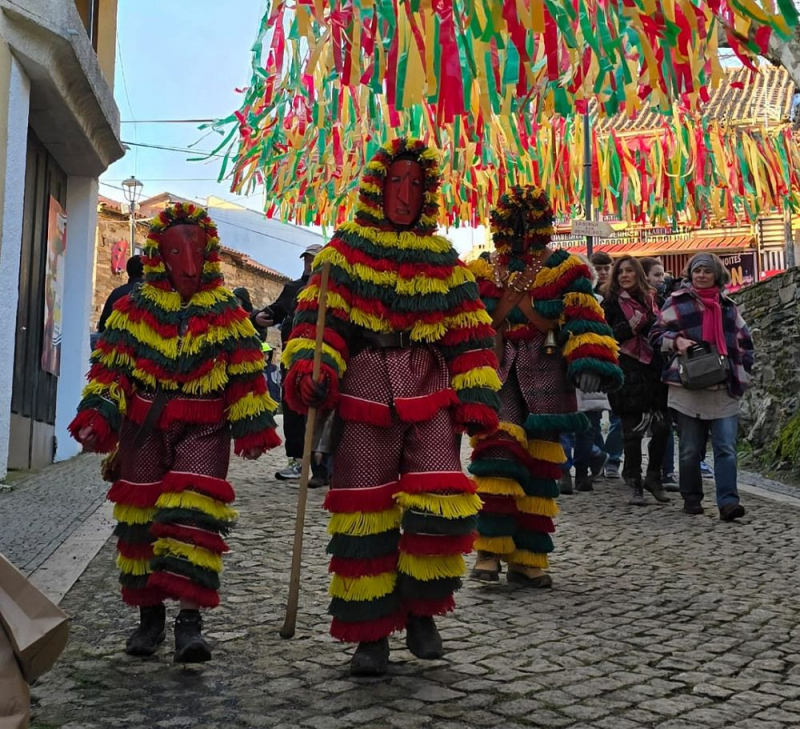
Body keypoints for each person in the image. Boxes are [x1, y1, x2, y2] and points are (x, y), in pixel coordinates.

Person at [282, 137, 501, 676]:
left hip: (430, 390)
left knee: (438, 506)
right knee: (364, 513)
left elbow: (469, 332)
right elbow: (318, 325)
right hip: (363, 391)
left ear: (427, 193)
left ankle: (423, 610)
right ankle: (371, 634)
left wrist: (476, 396)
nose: (405, 194)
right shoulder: (342, 255)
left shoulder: (445, 260)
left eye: (415, 185)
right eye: (396, 183)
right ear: (378, 188)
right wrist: (316, 370)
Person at [69, 203, 281, 662]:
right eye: (175, 251)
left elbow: (246, 372)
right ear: (159, 256)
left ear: (208, 254)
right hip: (144, 426)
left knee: (193, 518)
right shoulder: (131, 310)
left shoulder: (227, 313)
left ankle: (190, 622)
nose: (187, 263)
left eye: (195, 251)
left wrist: (253, 425)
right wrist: (97, 418)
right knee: (140, 520)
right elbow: (110, 370)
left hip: (205, 428)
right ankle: (149, 618)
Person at [467, 186, 622, 587]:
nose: (518, 231)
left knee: (540, 466)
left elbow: (584, 318)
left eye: (526, 222)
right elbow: (465, 324)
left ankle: (528, 557)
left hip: (548, 368)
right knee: (496, 456)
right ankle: (489, 549)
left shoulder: (565, 269)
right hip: (497, 369)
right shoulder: (482, 271)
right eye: (512, 223)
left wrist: (589, 361)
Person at [650, 252, 754, 521]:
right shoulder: (676, 303)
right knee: (689, 449)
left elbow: (745, 342)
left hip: (722, 388)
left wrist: (742, 367)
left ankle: (728, 502)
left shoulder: (729, 307)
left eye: (707, 271)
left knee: (726, 449)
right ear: (690, 274)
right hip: (688, 387)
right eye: (697, 271)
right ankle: (692, 497)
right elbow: (656, 334)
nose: (701, 275)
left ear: (716, 275)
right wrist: (676, 342)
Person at [602, 256, 671, 506]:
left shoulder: (654, 300)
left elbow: (665, 326)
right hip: (626, 370)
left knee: (662, 426)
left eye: (629, 271)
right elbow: (609, 335)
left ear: (638, 273)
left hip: (653, 369)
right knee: (632, 430)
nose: (624, 276)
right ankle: (634, 482)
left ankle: (654, 476)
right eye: (620, 272)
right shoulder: (610, 304)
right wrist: (633, 325)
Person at [253, 243, 323, 481]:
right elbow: (272, 312)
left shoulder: (332, 290)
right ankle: (298, 462)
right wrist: (256, 317)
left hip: (322, 361)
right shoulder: (292, 288)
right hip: (292, 359)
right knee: (293, 411)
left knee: (321, 411)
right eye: (306, 259)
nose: (309, 264)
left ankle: (323, 467)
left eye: (314, 260)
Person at [641, 257, 677, 490]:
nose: (661, 279)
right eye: (656, 275)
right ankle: (635, 473)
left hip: (662, 366)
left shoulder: (666, 300)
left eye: (662, 274)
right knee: (637, 424)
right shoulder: (637, 301)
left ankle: (667, 472)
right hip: (640, 367)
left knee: (665, 421)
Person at [590, 251, 623, 478]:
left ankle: (613, 458)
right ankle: (596, 456)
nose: (602, 273)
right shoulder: (585, 295)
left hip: (620, 359)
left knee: (618, 415)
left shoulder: (620, 294)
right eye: (598, 269)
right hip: (593, 360)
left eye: (606, 268)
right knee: (590, 415)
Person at [97, 255, 144, 333]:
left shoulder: (117, 293)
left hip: (115, 343)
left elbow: (103, 326)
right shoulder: (152, 295)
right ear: (145, 271)